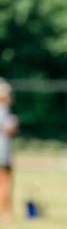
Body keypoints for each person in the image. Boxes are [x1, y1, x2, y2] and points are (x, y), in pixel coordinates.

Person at [0, 80, 19, 221]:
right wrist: (14, 124)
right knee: (5, 182)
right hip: (3, 153)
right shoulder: (4, 111)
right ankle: (6, 212)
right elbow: (10, 131)